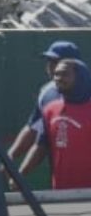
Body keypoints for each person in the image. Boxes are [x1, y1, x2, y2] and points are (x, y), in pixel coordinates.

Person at [9, 41, 81, 181]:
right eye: (49, 61)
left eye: (55, 61)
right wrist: (10, 158)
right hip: (61, 178)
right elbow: (34, 130)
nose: (50, 67)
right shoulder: (47, 92)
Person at [23, 58, 91, 189]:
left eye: (64, 74)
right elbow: (41, 146)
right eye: (56, 74)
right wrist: (19, 175)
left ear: (81, 77)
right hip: (60, 192)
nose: (58, 78)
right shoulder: (50, 110)